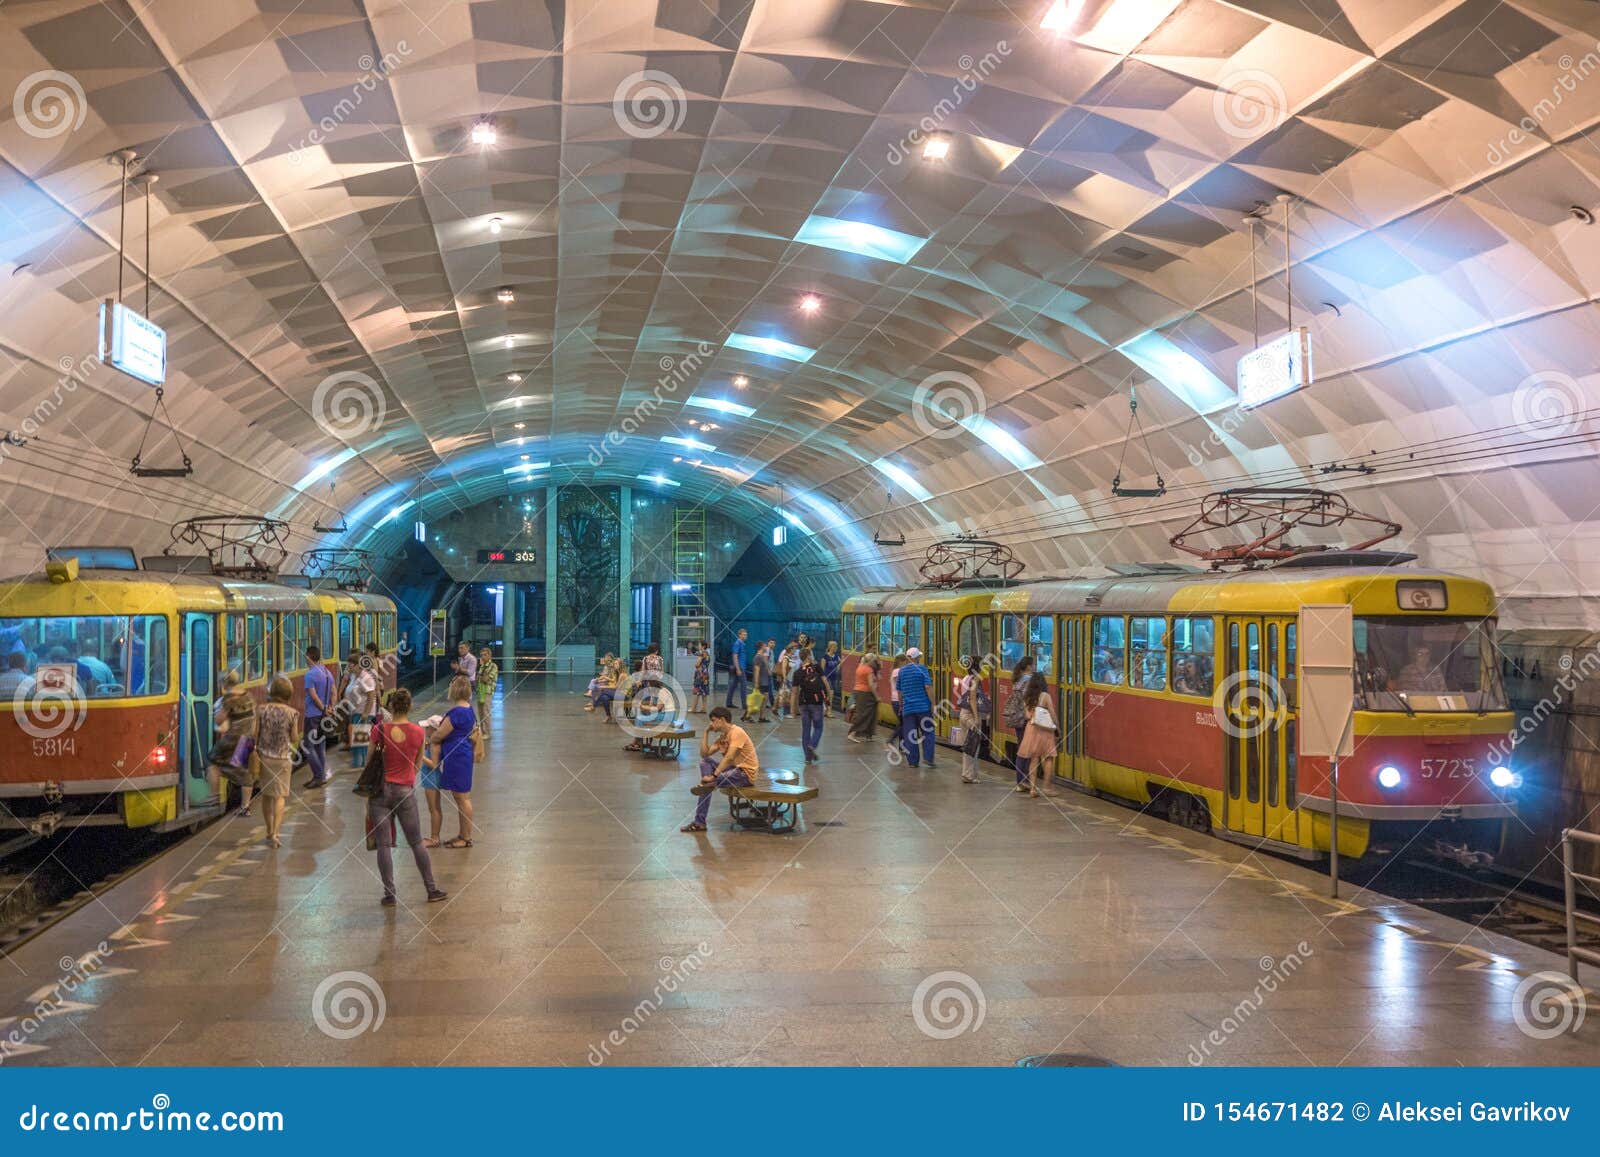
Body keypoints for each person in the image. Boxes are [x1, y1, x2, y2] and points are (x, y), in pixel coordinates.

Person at [369, 687, 447, 907]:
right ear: (410, 706)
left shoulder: (379, 730)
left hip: (380, 791)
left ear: (390, 706)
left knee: (383, 845)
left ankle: (389, 894)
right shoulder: (418, 732)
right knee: (416, 842)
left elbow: (369, 762)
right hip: (405, 791)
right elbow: (417, 765)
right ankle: (431, 890)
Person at [680, 707, 760, 833]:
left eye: (713, 721)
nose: (711, 724)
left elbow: (729, 757)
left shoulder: (737, 732)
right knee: (705, 762)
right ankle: (708, 785)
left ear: (722, 720)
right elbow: (705, 754)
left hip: (744, 774)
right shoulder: (723, 737)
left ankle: (700, 818)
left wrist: (714, 775)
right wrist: (706, 732)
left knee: (708, 783)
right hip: (732, 771)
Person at [429, 675, 480, 848]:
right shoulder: (469, 710)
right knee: (462, 797)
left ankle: (466, 838)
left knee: (462, 798)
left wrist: (429, 739)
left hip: (456, 756)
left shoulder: (456, 712)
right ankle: (463, 835)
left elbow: (439, 734)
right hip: (462, 754)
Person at [255, 676, 300, 848]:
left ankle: (268, 830)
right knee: (279, 797)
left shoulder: (261, 710)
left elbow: (255, 734)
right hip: (282, 759)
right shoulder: (292, 713)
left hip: (264, 758)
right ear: (288, 693)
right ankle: (275, 832)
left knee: (266, 796)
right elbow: (295, 738)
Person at [211, 669, 258, 817]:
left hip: (233, 739)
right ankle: (245, 807)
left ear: (224, 683)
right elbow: (255, 719)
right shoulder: (249, 696)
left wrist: (214, 714)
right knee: (243, 773)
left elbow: (219, 720)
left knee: (211, 761)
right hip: (248, 738)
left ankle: (213, 796)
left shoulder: (228, 699)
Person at [1016, 674, 1058, 797]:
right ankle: (1047, 788)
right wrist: (1057, 727)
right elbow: (1052, 713)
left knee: (1034, 759)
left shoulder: (1027, 697)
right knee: (1049, 757)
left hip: (1031, 729)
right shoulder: (1045, 696)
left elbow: (1027, 716)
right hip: (1045, 730)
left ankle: (1033, 789)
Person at [301, 645, 334, 788]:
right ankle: (321, 775)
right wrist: (331, 707)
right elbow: (334, 692)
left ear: (309, 657)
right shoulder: (327, 673)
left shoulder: (310, 675)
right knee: (320, 745)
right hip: (323, 716)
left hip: (313, 715)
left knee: (308, 746)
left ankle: (319, 775)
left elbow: (313, 696)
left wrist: (323, 708)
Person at [897, 647, 935, 768]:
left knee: (910, 736)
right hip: (923, 708)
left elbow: (900, 692)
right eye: (919, 656)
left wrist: (901, 705)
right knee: (928, 732)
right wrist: (933, 703)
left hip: (908, 709)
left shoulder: (901, 671)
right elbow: (928, 687)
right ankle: (928, 758)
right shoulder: (922, 669)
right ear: (917, 658)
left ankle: (913, 762)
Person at [1003, 656, 1035, 791]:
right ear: (1028, 666)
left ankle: (1021, 781)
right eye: (1033, 664)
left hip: (1017, 717)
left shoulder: (1017, 679)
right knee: (1025, 750)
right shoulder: (1028, 680)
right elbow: (1029, 699)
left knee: (1021, 747)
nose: (1034, 667)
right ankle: (1022, 781)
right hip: (1025, 718)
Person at [954, 656, 985, 784]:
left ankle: (970, 774)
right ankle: (968, 775)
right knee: (972, 747)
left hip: (963, 714)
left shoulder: (966, 678)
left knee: (968, 746)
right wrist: (977, 718)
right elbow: (972, 699)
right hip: (971, 715)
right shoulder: (975, 680)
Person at [795, 651, 829, 763]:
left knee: (806, 730)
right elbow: (825, 681)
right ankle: (812, 745)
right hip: (816, 703)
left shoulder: (798, 672)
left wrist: (793, 709)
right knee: (818, 727)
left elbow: (794, 692)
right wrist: (828, 698)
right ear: (809, 656)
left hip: (803, 704)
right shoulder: (816, 667)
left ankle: (807, 758)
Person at [848, 653, 879, 742]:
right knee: (863, 714)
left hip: (859, 692)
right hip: (865, 693)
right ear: (870, 661)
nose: (874, 663)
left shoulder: (860, 667)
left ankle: (868, 734)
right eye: (873, 661)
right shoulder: (868, 670)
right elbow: (871, 684)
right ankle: (852, 733)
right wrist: (877, 696)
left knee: (869, 713)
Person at [475, 647, 498, 738]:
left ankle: (488, 733)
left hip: (487, 692)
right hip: (480, 691)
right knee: (480, 713)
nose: (483, 657)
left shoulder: (493, 666)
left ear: (489, 655)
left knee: (486, 712)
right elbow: (477, 679)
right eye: (481, 655)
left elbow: (485, 679)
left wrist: (482, 670)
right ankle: (483, 731)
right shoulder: (481, 667)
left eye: (485, 655)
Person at [749, 641, 774, 723]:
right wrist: (756, 682)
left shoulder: (762, 657)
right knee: (757, 699)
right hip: (761, 682)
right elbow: (757, 669)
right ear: (761, 647)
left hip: (764, 681)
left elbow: (766, 666)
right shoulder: (758, 657)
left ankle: (761, 717)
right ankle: (748, 716)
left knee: (764, 698)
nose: (766, 647)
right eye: (765, 646)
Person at [724, 628, 748, 708]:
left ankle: (729, 702)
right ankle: (744, 704)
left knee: (733, 685)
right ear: (739, 635)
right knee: (743, 685)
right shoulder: (737, 643)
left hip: (740, 667)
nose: (746, 636)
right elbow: (735, 656)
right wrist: (738, 669)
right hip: (739, 668)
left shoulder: (742, 644)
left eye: (746, 634)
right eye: (744, 634)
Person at [821, 642, 841, 717]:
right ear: (831, 647)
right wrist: (823, 679)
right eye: (835, 647)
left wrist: (838, 666)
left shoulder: (836, 656)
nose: (836, 648)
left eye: (836, 646)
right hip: (827, 678)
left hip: (834, 677)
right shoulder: (825, 657)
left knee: (829, 695)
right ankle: (829, 711)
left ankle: (826, 709)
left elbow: (840, 662)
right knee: (831, 693)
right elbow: (822, 670)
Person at [691, 642, 710, 713]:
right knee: (704, 692)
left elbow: (697, 664)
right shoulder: (707, 654)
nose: (698, 646)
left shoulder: (702, 653)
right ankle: (704, 708)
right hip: (705, 674)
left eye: (699, 645)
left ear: (703, 646)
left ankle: (694, 708)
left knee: (696, 691)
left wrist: (696, 664)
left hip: (700, 674)